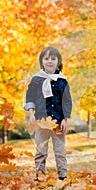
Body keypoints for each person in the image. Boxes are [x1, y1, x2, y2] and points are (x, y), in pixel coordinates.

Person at [24, 46, 72, 181]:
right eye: (46, 58)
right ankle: (40, 177)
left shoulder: (62, 81)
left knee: (60, 151)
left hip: (58, 123)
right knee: (41, 151)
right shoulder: (36, 80)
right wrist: (31, 114)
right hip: (41, 121)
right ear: (42, 61)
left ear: (58, 61)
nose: (49, 61)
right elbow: (30, 98)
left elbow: (67, 101)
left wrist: (65, 119)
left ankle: (63, 176)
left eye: (53, 58)